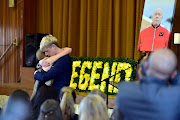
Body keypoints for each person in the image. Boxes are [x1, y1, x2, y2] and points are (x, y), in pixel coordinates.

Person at [116, 48, 180, 120]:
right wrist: (175, 76)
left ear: (145, 66)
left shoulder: (125, 89)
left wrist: (142, 72)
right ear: (173, 73)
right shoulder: (176, 96)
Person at [34, 35, 72, 101]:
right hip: (54, 95)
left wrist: (36, 74)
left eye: (47, 51)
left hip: (58, 96)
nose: (46, 54)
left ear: (53, 46)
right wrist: (40, 62)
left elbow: (45, 77)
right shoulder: (57, 57)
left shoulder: (63, 60)